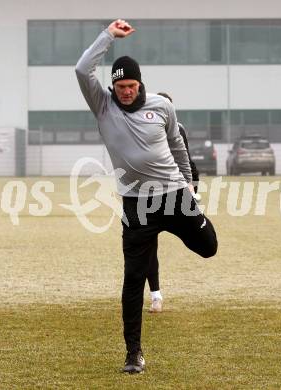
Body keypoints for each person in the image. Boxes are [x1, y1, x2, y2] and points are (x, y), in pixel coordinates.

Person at [75, 19, 218, 374]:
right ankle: (133, 354)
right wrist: (108, 35)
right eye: (120, 86)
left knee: (209, 246)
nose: (126, 91)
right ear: (112, 86)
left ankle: (186, 224)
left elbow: (176, 145)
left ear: (141, 84)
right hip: (137, 205)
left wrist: (189, 184)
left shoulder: (162, 107)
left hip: (174, 196)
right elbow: (82, 68)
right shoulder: (103, 105)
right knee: (132, 280)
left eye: (132, 85)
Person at [146, 92, 200, 314]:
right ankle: (155, 296)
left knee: (202, 241)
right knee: (148, 246)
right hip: (149, 194)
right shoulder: (144, 129)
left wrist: (192, 189)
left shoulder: (179, 129)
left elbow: (186, 159)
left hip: (176, 192)